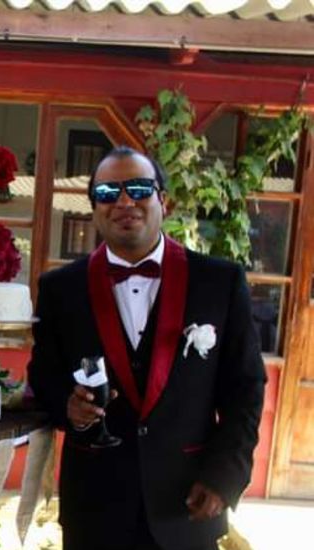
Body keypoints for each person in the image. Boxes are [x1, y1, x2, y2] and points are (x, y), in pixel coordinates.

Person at [27, 146, 266, 550]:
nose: (124, 201)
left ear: (163, 201)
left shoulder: (219, 283)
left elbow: (246, 388)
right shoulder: (60, 288)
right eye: (107, 193)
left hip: (188, 501)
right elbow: (43, 377)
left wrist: (225, 475)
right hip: (94, 504)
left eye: (139, 188)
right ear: (93, 208)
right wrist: (66, 407)